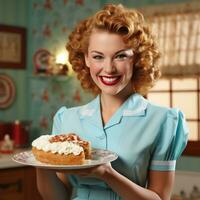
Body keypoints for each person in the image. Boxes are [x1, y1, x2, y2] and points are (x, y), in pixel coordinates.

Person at [36, 4, 188, 200]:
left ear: (138, 59)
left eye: (121, 56)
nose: (108, 69)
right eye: (98, 57)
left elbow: (160, 198)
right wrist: (40, 163)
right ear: (86, 60)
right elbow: (57, 197)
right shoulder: (66, 119)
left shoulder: (164, 121)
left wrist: (108, 174)